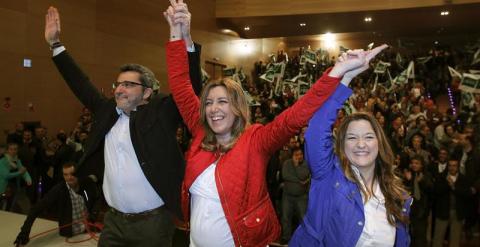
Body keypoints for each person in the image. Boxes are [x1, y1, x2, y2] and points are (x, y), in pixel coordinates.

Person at [164, 1, 387, 245]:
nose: (214, 109)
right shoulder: (199, 134)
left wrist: (338, 70)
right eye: (208, 103)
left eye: (222, 102)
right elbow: (180, 85)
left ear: (238, 108)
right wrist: (178, 33)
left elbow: (295, 117)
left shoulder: (256, 141)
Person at [44, 5, 202, 246]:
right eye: (118, 84)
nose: (119, 89)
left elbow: (189, 91)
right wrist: (56, 45)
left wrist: (186, 40)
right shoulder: (107, 110)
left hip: (153, 224)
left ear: (147, 92)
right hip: (113, 222)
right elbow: (79, 83)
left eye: (128, 85)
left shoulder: (161, 113)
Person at [289, 49, 412, 246]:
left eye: (369, 137)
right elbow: (316, 130)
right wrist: (344, 76)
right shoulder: (329, 177)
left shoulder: (399, 196)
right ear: (342, 145)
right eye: (352, 137)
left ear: (379, 144)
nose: (361, 144)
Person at [13, 162, 99, 246]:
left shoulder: (86, 183)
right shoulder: (59, 190)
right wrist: (24, 233)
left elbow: (97, 198)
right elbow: (36, 209)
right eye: (65, 174)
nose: (69, 177)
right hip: (70, 234)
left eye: (72, 174)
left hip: (89, 229)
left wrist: (93, 215)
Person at [280, 148, 310, 244]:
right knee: (285, 217)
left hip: (301, 197)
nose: (299, 156)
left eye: (300, 154)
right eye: (296, 155)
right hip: (287, 196)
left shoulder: (305, 164)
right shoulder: (287, 163)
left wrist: (297, 166)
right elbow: (285, 175)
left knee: (303, 218)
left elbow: (303, 175)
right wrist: (299, 181)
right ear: (292, 156)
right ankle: (286, 237)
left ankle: (304, 239)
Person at [0, 143, 32, 211]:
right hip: (4, 187)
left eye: (15, 149)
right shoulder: (2, 161)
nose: (13, 151)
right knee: (3, 206)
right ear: (7, 150)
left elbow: (24, 171)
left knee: (10, 206)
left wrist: (28, 179)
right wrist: (19, 172)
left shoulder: (17, 160)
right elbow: (6, 175)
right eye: (11, 149)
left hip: (14, 187)